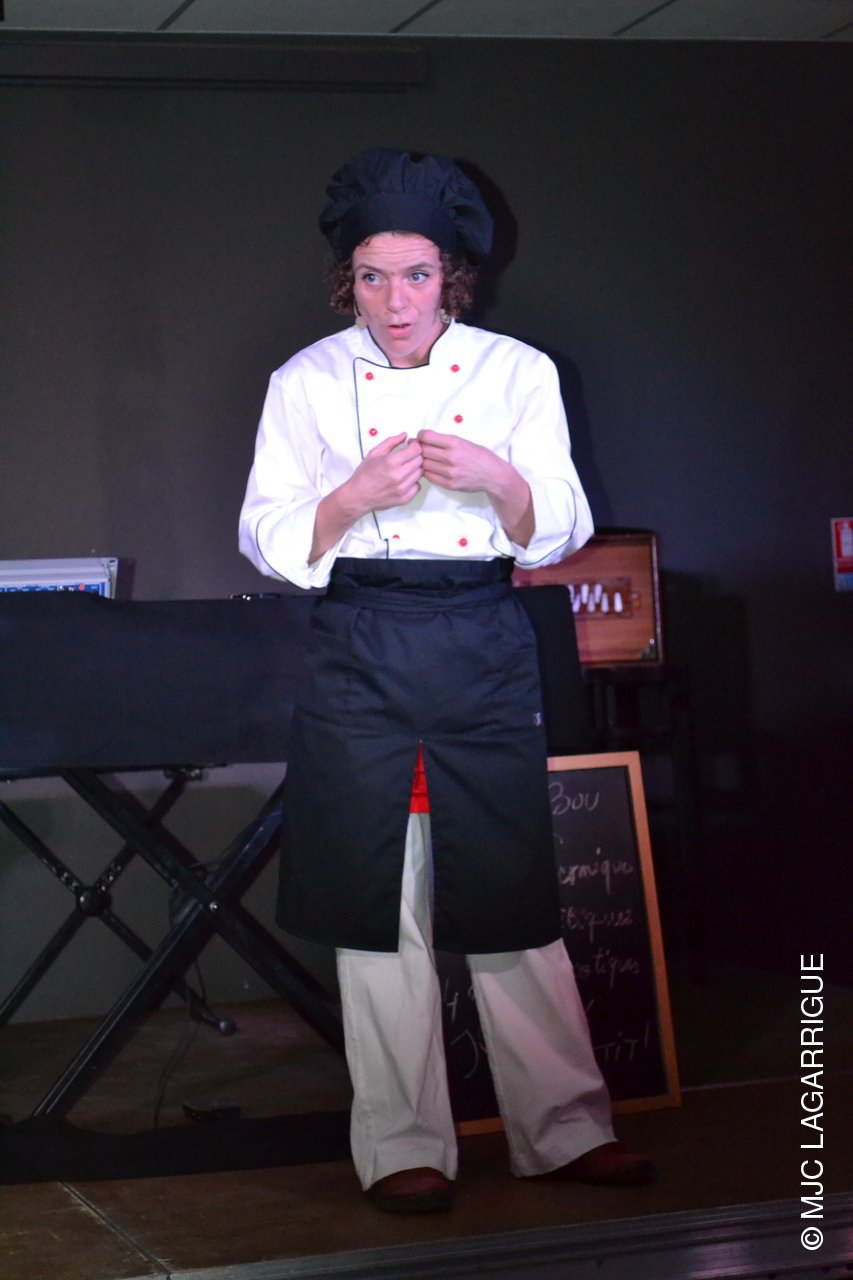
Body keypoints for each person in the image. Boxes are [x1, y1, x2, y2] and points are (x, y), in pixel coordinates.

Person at [239, 148, 654, 1212]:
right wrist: (349, 498)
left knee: (509, 890)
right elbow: (268, 537)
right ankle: (400, 1145)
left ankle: (565, 1128)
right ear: (347, 281)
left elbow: (557, 526)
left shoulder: (516, 373)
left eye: (416, 275)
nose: (395, 301)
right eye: (372, 277)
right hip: (362, 641)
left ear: (451, 277)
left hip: (479, 636)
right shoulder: (304, 382)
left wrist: (500, 479)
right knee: (379, 904)